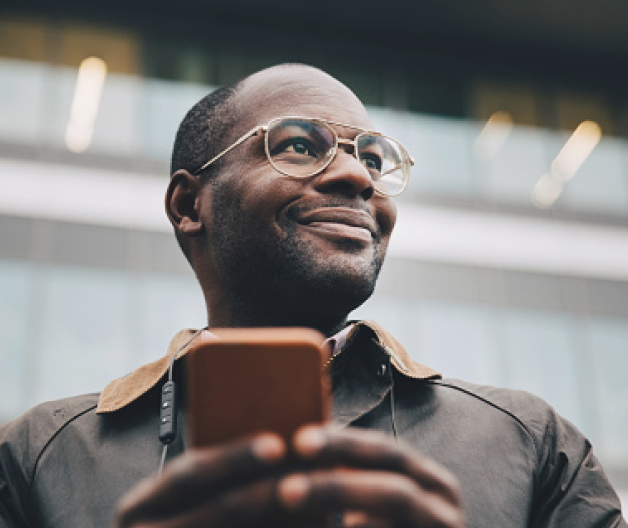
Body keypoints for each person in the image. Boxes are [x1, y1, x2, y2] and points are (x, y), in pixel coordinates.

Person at [0, 63, 625, 528]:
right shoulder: (36, 457)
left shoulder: (533, 441)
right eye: (300, 145)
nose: (358, 176)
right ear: (190, 205)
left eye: (373, 160)